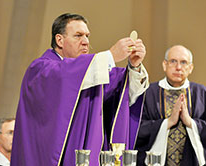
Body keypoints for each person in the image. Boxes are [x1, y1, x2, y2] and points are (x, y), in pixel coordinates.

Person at [11, 13, 149, 166]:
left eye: (87, 36)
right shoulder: (41, 69)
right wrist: (110, 56)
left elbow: (124, 92)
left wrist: (134, 67)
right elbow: (65, 76)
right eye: (78, 36)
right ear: (59, 40)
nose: (85, 42)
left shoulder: (94, 73)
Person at [135, 45, 206, 166]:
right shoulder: (148, 93)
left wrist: (191, 123)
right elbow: (135, 129)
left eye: (184, 62)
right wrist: (167, 123)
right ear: (164, 65)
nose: (178, 67)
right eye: (173, 61)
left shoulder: (203, 94)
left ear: (191, 68)